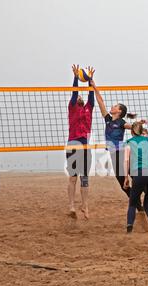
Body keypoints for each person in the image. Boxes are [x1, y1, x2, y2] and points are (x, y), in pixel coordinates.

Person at [90, 79, 146, 211]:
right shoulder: (108, 120)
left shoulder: (121, 122)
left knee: (133, 178)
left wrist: (139, 123)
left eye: (115, 106)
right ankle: (139, 206)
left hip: (121, 153)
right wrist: (94, 86)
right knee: (123, 184)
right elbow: (100, 102)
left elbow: (131, 127)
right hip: (114, 155)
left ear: (119, 111)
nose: (112, 107)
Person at [66, 64, 95, 220]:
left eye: (80, 97)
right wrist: (76, 78)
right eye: (77, 97)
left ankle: (84, 205)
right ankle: (71, 205)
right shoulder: (72, 108)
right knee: (72, 177)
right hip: (73, 144)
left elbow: (90, 95)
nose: (79, 97)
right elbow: (74, 92)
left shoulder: (89, 108)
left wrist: (90, 79)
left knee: (84, 178)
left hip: (85, 146)